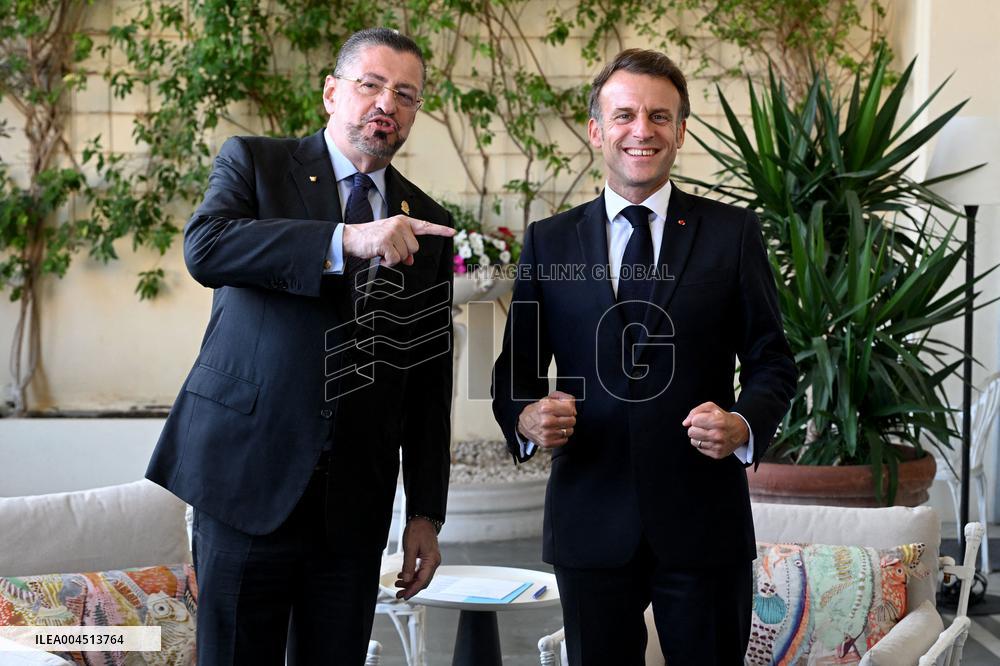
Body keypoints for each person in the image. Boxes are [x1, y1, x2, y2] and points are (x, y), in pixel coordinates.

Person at [146, 27, 456, 665]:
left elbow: (428, 380)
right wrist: (346, 239)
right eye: (371, 85)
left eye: (405, 95)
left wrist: (426, 512)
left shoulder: (425, 218)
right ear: (331, 92)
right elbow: (207, 248)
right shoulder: (256, 164)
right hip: (246, 478)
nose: (387, 104)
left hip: (354, 504)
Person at [492, 49, 796, 665]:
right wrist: (526, 417)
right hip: (589, 519)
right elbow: (514, 371)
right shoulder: (550, 241)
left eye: (660, 116)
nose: (642, 130)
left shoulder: (732, 233)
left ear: (680, 132)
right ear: (596, 130)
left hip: (703, 521)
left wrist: (743, 424)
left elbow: (773, 361)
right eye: (624, 114)